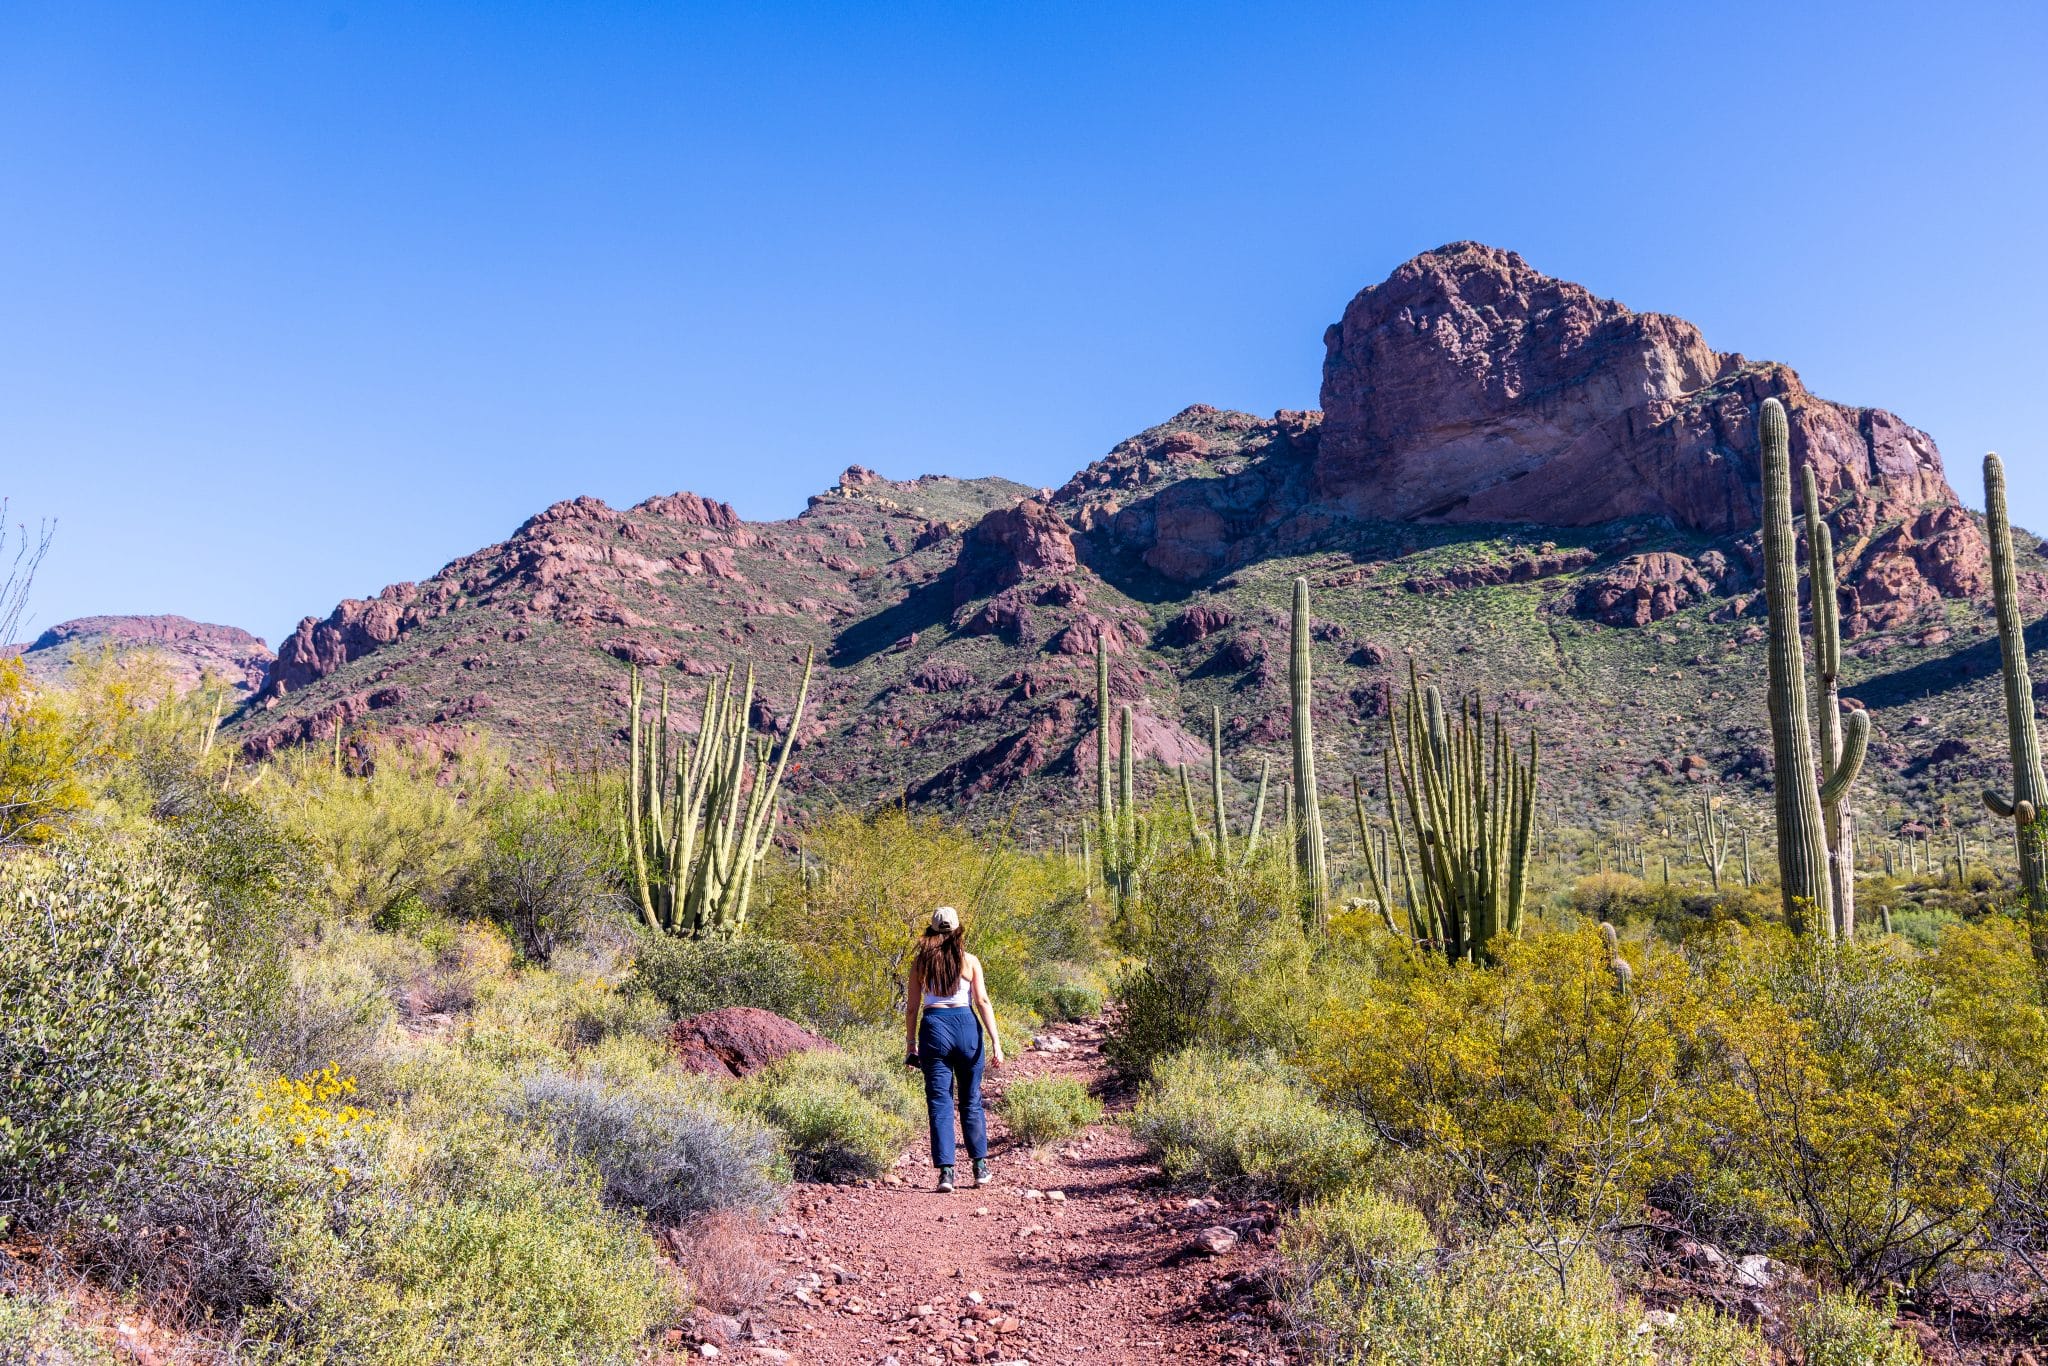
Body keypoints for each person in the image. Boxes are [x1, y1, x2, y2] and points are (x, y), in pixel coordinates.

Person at [903, 905, 1004, 1193]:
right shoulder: (970, 961)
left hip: (934, 1028)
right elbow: (982, 1002)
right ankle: (980, 1167)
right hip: (966, 1028)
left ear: (931, 931)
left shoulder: (920, 963)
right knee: (971, 1099)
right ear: (958, 930)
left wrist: (911, 1044)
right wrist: (996, 1042)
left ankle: (946, 1173)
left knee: (940, 1102)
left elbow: (912, 1008)